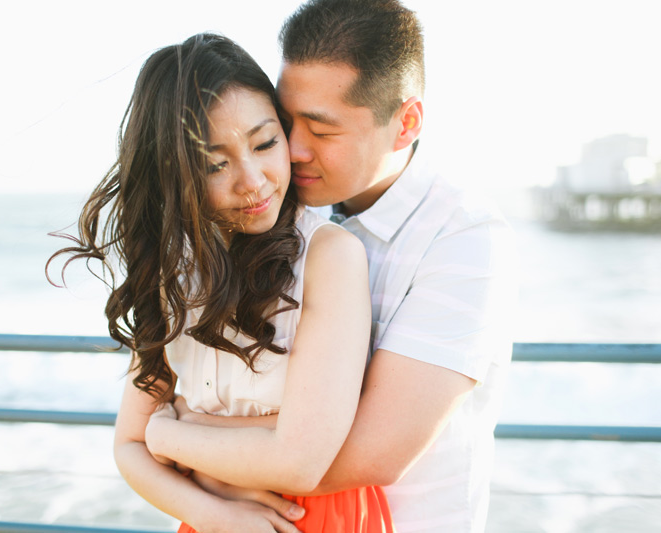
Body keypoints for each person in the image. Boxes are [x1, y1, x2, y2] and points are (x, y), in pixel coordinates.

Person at [176, 1, 518, 531]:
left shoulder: (464, 238)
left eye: (321, 129)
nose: (291, 149)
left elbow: (369, 454)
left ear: (405, 123)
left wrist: (179, 441)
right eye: (285, 122)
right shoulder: (277, 218)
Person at [48, 33, 396, 532]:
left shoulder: (329, 255)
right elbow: (127, 445)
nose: (252, 180)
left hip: (310, 519)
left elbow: (300, 462)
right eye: (216, 163)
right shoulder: (175, 270)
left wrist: (169, 435)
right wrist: (209, 512)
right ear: (175, 171)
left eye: (265, 143)